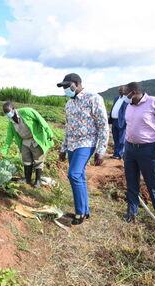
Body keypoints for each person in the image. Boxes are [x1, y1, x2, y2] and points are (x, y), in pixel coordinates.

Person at [57, 73, 109, 225]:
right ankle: (85, 211)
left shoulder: (94, 98)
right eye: (64, 87)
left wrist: (101, 150)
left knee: (73, 174)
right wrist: (63, 148)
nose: (66, 89)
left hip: (87, 142)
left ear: (77, 84)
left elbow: (103, 125)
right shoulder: (69, 104)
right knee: (79, 176)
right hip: (72, 144)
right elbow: (67, 128)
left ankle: (79, 213)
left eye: (68, 86)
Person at [123, 82, 155, 225]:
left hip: (149, 149)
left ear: (133, 92)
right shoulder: (129, 106)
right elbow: (130, 127)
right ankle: (132, 213)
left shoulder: (154, 102)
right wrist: (125, 148)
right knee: (131, 182)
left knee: (153, 183)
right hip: (130, 149)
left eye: (125, 93)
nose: (123, 96)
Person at [0, 102, 54, 188]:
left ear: (13, 109)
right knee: (26, 160)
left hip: (35, 139)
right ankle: (27, 179)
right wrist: (2, 151)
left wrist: (49, 133)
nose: (8, 114)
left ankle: (38, 181)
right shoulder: (11, 123)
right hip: (25, 141)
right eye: (6, 113)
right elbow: (8, 139)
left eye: (9, 112)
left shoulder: (27, 111)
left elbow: (41, 120)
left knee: (38, 160)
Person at [108, 86, 128, 159]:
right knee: (115, 138)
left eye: (122, 90)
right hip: (114, 121)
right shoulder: (117, 98)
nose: (120, 91)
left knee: (121, 139)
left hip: (122, 121)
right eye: (119, 90)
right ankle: (115, 153)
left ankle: (120, 154)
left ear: (126, 91)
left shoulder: (127, 99)